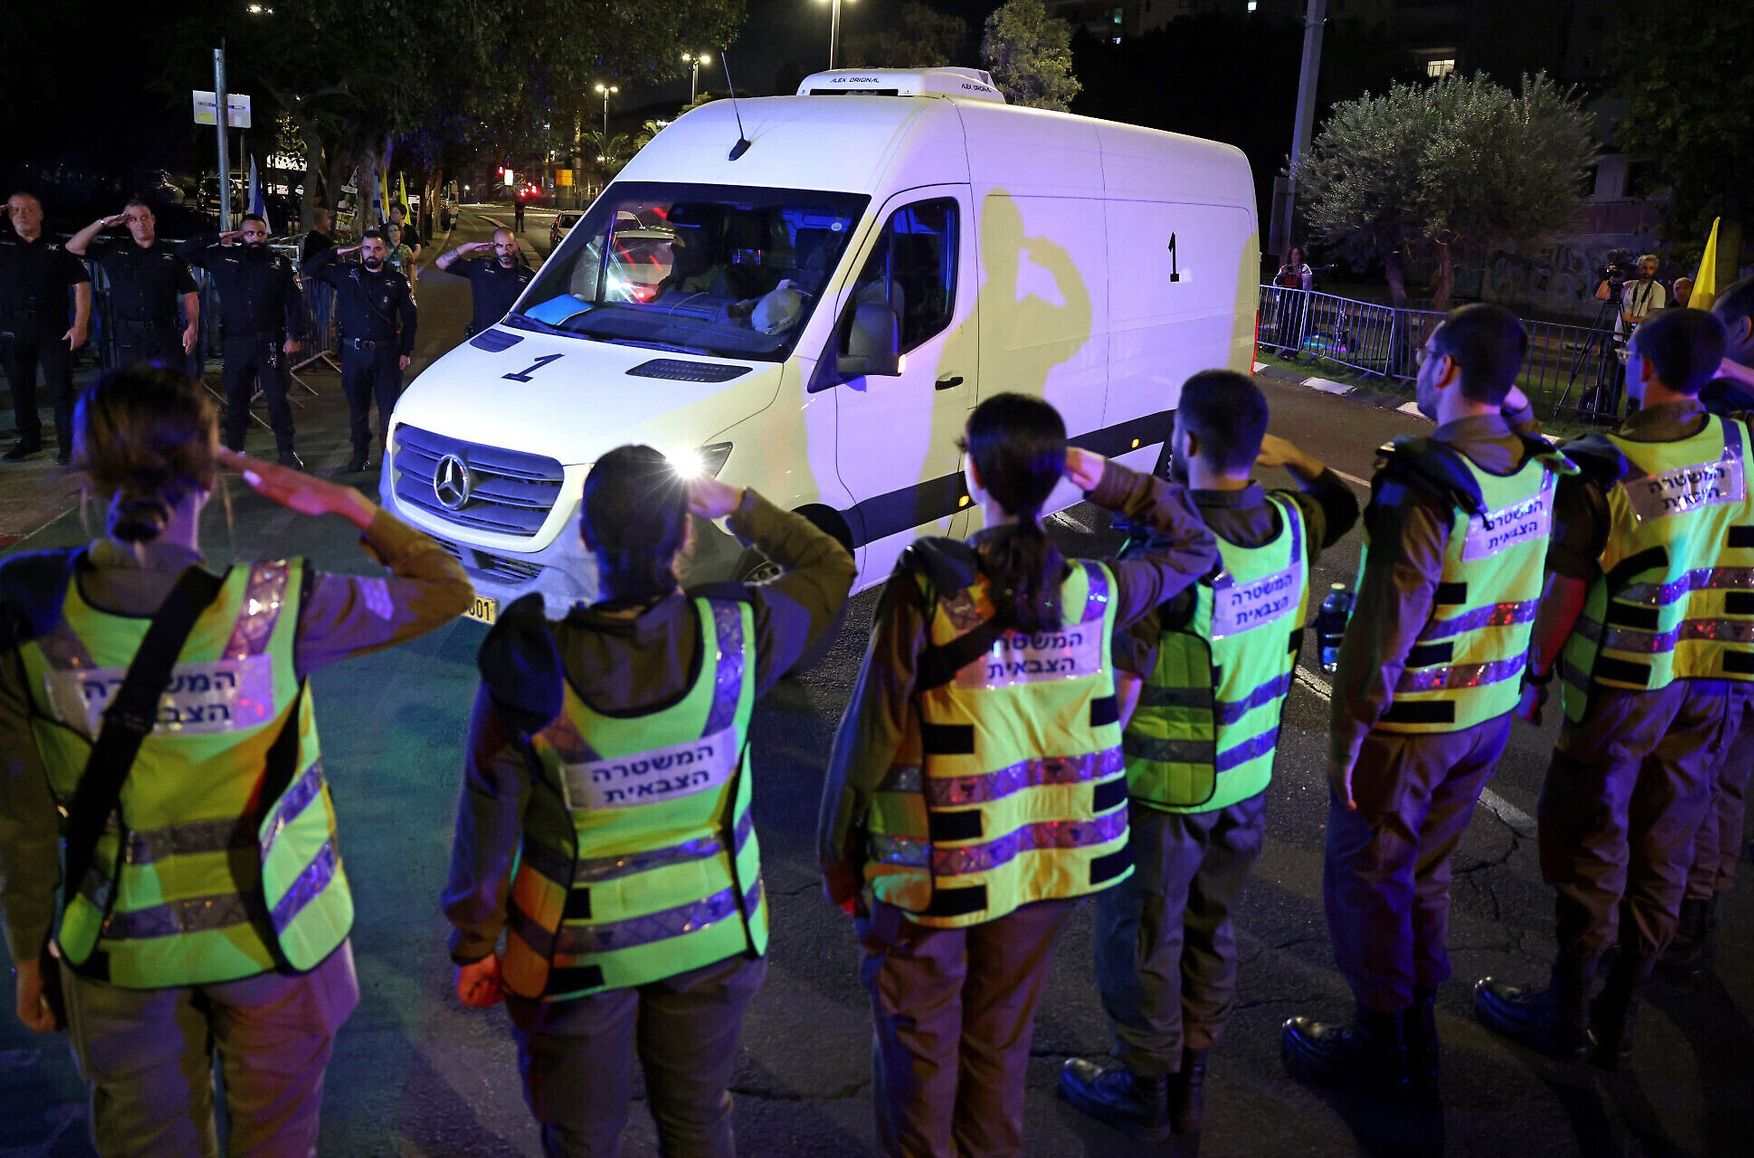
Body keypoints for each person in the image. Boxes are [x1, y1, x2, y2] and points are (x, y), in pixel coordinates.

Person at [0, 364, 472, 1156]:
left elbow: (17, 819)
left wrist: (27, 952)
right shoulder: (282, 607)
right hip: (281, 944)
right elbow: (445, 589)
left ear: (87, 474)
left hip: (121, 954)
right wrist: (349, 504)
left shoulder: (31, 614)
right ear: (210, 466)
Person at [818, 393, 1219, 1158]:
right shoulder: (1097, 592)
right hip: (1045, 873)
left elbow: (869, 737)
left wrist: (837, 856)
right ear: (1055, 477)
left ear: (973, 473)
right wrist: (1106, 477)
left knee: (919, 1064)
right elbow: (1196, 545)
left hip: (938, 876)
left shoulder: (932, 589)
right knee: (998, 1051)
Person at [443, 444, 856, 1157]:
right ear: (686, 535)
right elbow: (830, 567)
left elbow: (488, 818)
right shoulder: (737, 637)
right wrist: (737, 505)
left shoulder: (533, 663)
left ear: (585, 536)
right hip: (713, 936)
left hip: (573, 952)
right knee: (696, 1122)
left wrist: (475, 943)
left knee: (581, 1136)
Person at [1281, 304, 1573, 1094]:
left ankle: (1383, 1041)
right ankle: (1415, 1025)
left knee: (1369, 876)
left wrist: (1346, 741)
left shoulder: (1425, 480)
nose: (1418, 364)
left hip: (1411, 724)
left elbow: (1385, 627)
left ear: (1444, 367)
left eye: (1425, 352)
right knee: (1425, 874)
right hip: (1485, 713)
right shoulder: (1536, 463)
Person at [1060, 371, 1359, 1140]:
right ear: (1255, 448)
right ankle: (1190, 1076)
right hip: (1246, 780)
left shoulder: (1170, 553)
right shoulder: (1292, 526)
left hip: (1165, 791)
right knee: (1209, 926)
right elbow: (1342, 504)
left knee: (1140, 936)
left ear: (1185, 442)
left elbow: (1122, 692)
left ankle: (1144, 1084)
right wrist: (1297, 457)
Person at [1475, 308, 1753, 1069]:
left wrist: (1534, 676)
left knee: (1593, 845)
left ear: (1644, 366)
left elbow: (1564, 593)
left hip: (1624, 694)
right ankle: (1619, 1014)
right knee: (1667, 844)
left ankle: (1565, 1012)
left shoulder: (1605, 469)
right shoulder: (1740, 445)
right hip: (1712, 683)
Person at [175, 214, 307, 468]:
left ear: (266, 235)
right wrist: (216, 237)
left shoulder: (279, 263)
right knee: (236, 400)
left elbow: (295, 302)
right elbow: (183, 252)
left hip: (270, 341)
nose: (255, 238)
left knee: (277, 399)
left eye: (260, 233)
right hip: (237, 343)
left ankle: (287, 451)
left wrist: (294, 336)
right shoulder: (223, 258)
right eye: (249, 233)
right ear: (239, 235)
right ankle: (235, 452)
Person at [301, 231, 417, 473]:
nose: (371, 253)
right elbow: (311, 268)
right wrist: (337, 251)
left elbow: (410, 318)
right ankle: (360, 455)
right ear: (360, 250)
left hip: (387, 354)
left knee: (388, 411)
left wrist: (405, 351)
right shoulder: (347, 275)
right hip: (354, 354)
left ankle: (388, 459)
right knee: (358, 410)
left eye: (377, 249)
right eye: (366, 248)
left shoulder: (397, 280)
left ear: (385, 251)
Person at [0, 192, 91, 463]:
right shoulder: (3, 243)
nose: (21, 215)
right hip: (12, 326)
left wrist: (80, 325)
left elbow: (81, 285)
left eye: (28, 210)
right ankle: (29, 440)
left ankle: (69, 445)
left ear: (40, 214)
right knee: (20, 388)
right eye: (15, 210)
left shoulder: (60, 247)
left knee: (60, 388)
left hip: (52, 327)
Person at [65, 201, 199, 369]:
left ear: (153, 219)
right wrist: (103, 223)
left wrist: (192, 326)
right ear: (126, 223)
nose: (140, 223)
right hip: (130, 335)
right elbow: (72, 247)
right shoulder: (114, 251)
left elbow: (190, 293)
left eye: (144, 217)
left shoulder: (171, 254)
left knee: (169, 383)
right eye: (133, 219)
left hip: (166, 333)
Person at [436, 230, 535, 337]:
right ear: (493, 247)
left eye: (509, 245)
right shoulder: (480, 268)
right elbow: (441, 262)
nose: (505, 251)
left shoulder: (528, 276)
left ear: (516, 246)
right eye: (500, 246)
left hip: (512, 339)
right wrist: (469, 246)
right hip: (481, 338)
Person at [1596, 252, 1666, 354]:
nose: (1647, 271)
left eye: (1651, 268)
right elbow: (1600, 295)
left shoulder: (1657, 289)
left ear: (1654, 270)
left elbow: (1654, 317)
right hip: (1619, 337)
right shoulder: (1629, 285)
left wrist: (1631, 319)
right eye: (1644, 267)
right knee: (1614, 363)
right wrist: (1608, 277)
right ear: (1638, 268)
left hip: (1640, 339)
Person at [1274, 246, 1314, 357]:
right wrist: (1282, 274)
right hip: (1285, 300)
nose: (1294, 256)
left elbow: (1307, 286)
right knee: (1283, 322)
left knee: (1295, 324)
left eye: (1297, 254)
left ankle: (1293, 349)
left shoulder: (1304, 268)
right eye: (1292, 254)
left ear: (1300, 255)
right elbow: (1277, 282)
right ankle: (1283, 347)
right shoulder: (1286, 267)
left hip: (1297, 301)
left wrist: (1300, 276)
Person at [384, 223, 417, 297]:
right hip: (386, 284)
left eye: (396, 230)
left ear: (400, 232)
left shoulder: (406, 249)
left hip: (402, 284)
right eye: (391, 231)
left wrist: (411, 286)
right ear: (388, 234)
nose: (394, 233)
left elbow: (411, 268)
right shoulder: (383, 248)